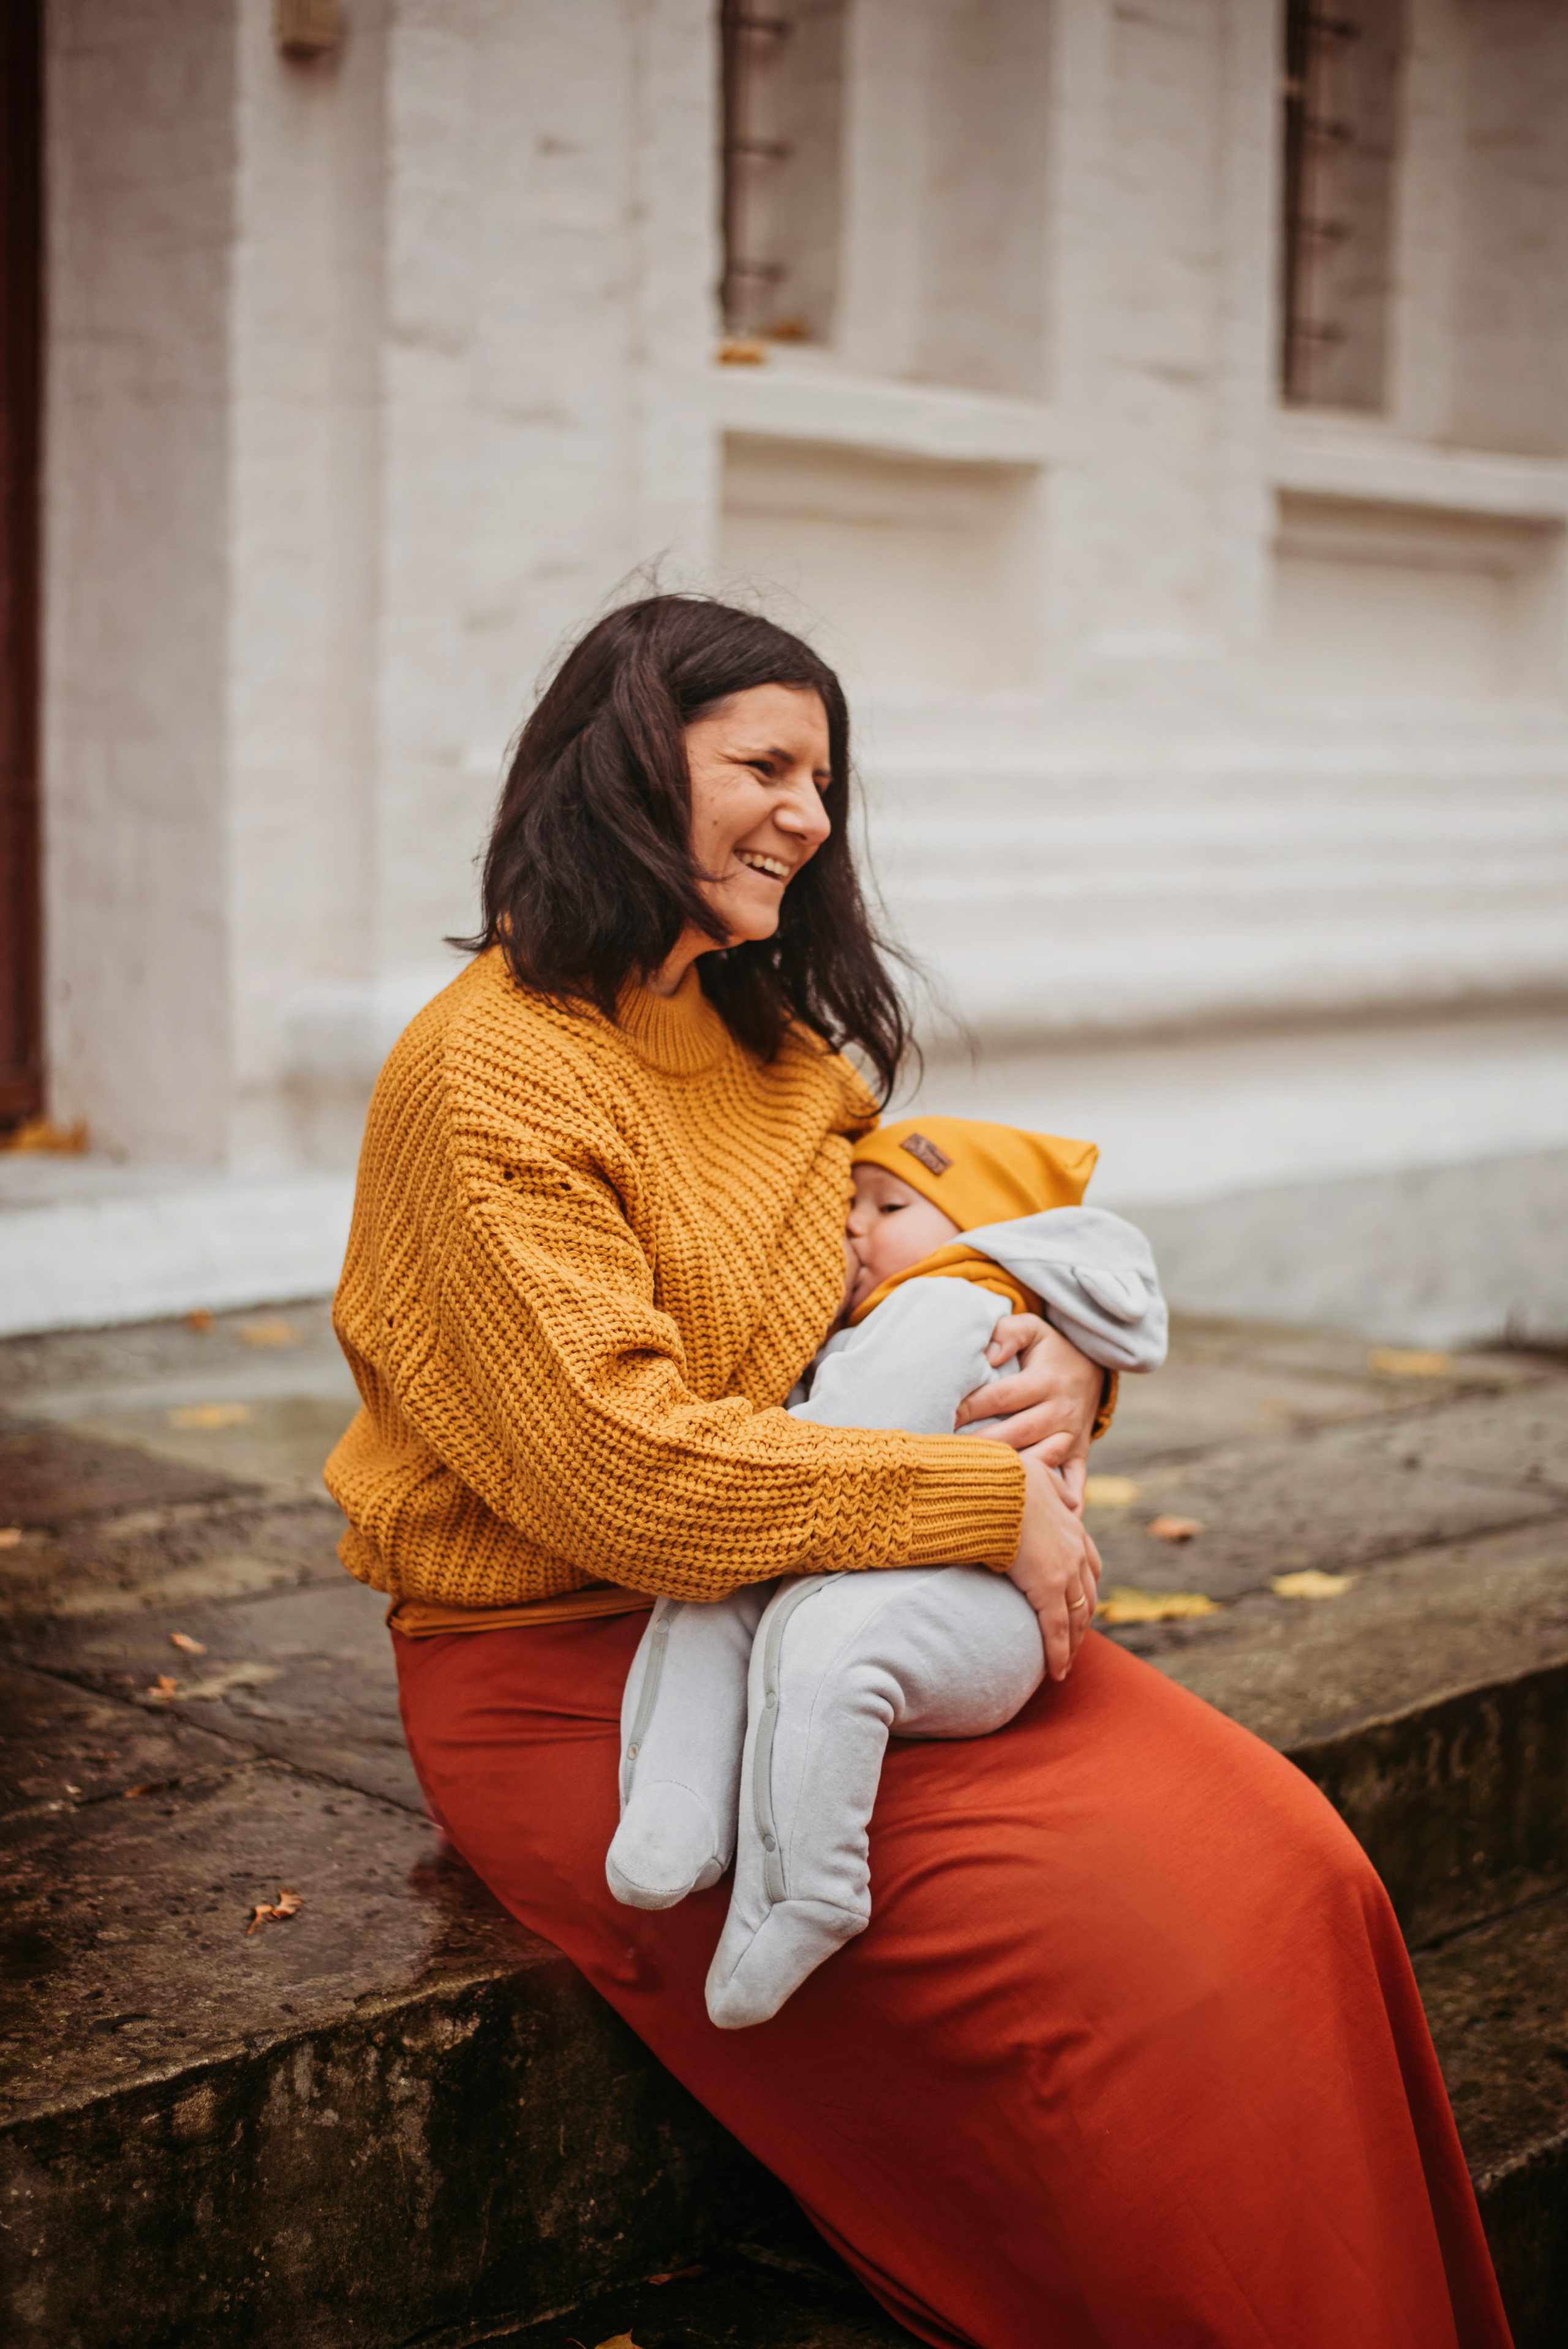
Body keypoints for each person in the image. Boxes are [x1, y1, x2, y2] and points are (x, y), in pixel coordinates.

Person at [327, 596, 1512, 2348]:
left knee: (1290, 1863)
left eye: (826, 775)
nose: (811, 814)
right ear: (623, 770)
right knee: (1145, 1971)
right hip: (581, 1670)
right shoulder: (486, 1071)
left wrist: (1063, 1371)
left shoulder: (778, 1052)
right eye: (765, 767)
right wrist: (987, 1504)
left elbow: (913, 1294)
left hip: (844, 1597)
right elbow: (616, 1476)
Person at [605, 1116, 1169, 2032]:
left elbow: (847, 1448)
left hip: (978, 1600)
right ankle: (675, 1810)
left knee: (827, 1641)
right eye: (850, 1206)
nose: (855, 1227)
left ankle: (810, 1891)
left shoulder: (949, 1308)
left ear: (992, 1232)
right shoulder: (901, 1311)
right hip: (884, 1552)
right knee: (712, 1593)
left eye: (891, 1205)